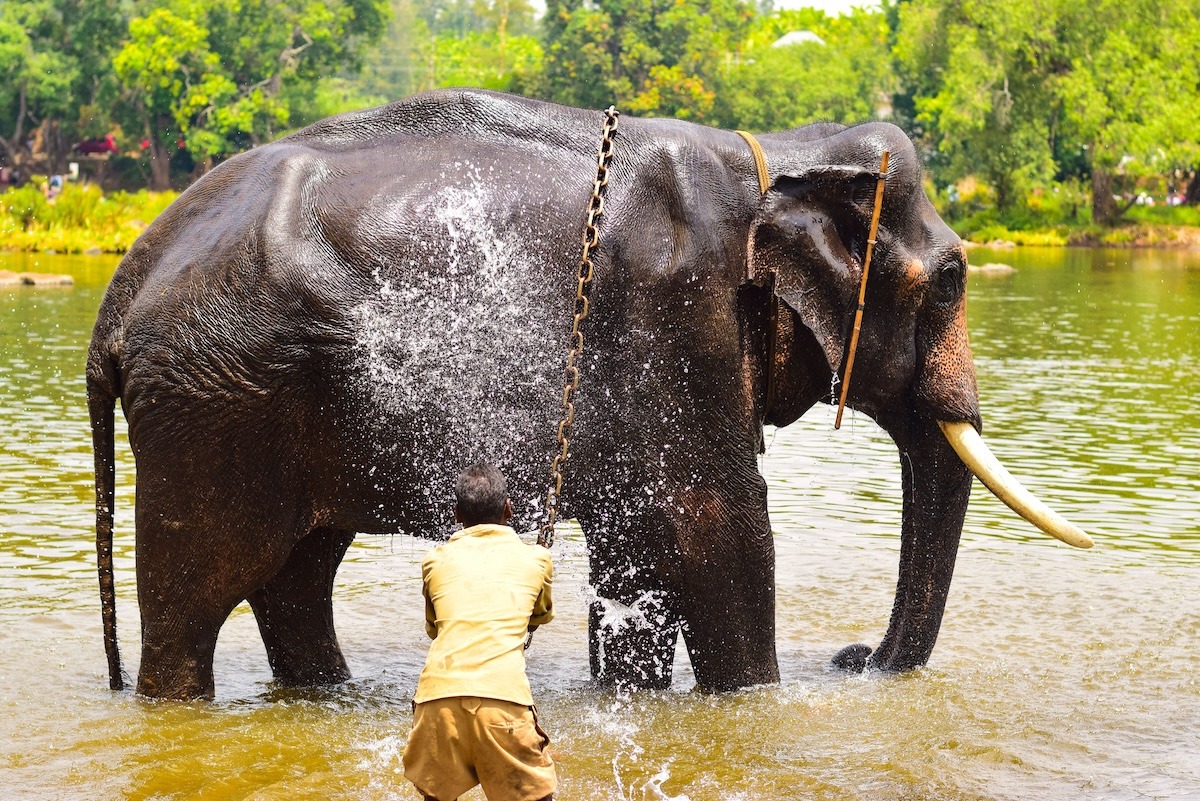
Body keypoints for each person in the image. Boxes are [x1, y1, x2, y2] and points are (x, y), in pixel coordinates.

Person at [403, 464, 557, 801]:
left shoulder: (434, 560)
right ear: (509, 508)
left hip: (435, 703)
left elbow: (435, 628)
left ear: (456, 513)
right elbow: (541, 615)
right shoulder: (537, 559)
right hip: (503, 702)